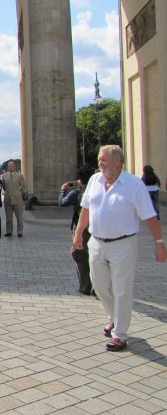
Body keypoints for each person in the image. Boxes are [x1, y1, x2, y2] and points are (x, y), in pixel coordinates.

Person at [72, 145, 166, 352]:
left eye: (104, 159)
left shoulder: (133, 185)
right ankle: (113, 317)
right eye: (99, 159)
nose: (100, 163)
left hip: (124, 244)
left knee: (122, 290)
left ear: (118, 161)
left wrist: (159, 242)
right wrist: (78, 233)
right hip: (96, 242)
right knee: (100, 285)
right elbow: (86, 208)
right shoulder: (95, 181)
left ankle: (120, 335)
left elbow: (150, 216)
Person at [59, 164, 95, 295]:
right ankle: (98, 287)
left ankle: (85, 286)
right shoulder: (100, 190)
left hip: (80, 227)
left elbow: (62, 202)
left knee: (80, 256)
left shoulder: (76, 192)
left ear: (79, 179)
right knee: (96, 257)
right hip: (97, 228)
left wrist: (63, 190)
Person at [2, 160, 25, 237]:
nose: (10, 167)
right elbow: (4, 187)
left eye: (11, 166)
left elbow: (23, 188)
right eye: (8, 166)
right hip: (7, 199)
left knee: (19, 216)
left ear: (15, 167)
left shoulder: (20, 176)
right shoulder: (4, 176)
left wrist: (18, 193)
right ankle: (9, 231)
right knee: (8, 217)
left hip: (17, 199)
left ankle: (20, 231)